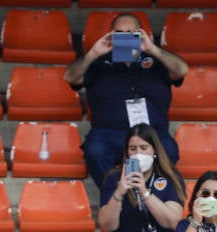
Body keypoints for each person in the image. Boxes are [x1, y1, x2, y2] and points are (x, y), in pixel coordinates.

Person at [65, 11, 189, 182]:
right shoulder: (99, 61)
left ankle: (150, 197)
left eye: (132, 34)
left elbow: (182, 70)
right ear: (111, 35)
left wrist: (152, 48)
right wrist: (93, 53)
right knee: (95, 149)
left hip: (151, 132)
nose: (126, 38)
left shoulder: (156, 59)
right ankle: (115, 196)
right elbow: (71, 76)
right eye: (119, 34)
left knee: (169, 150)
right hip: (109, 132)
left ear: (141, 34)